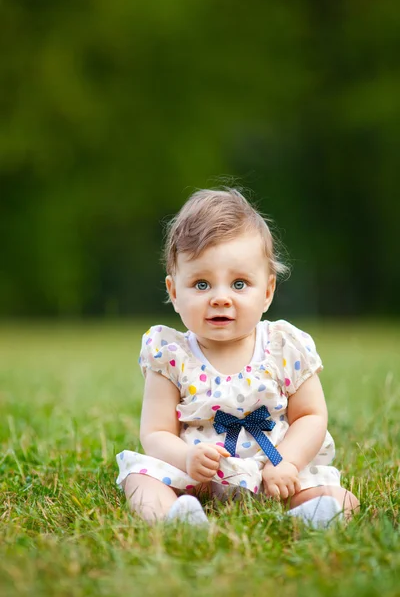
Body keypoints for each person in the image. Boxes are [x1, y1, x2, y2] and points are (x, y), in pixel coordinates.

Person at [116, 188, 359, 527]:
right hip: (198, 474)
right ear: (173, 292)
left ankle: (303, 519)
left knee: (341, 498)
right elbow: (155, 432)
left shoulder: (283, 346)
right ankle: (176, 520)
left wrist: (287, 463)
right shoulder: (170, 354)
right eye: (201, 285)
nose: (220, 298)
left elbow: (311, 416)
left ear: (268, 291)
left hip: (272, 469)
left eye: (240, 284)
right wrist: (186, 458)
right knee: (140, 477)